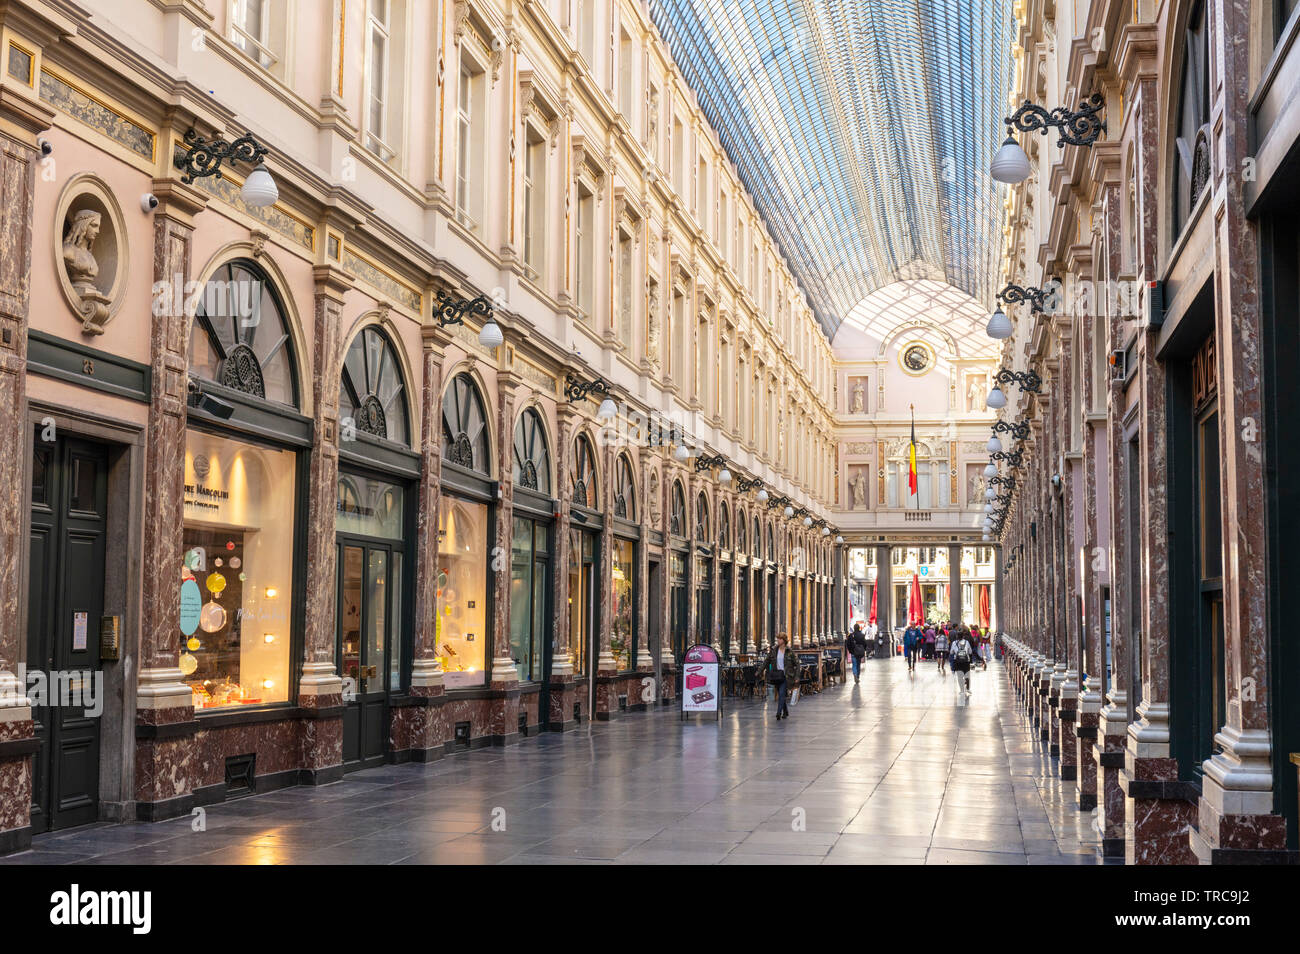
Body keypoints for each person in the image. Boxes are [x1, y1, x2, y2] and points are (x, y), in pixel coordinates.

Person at [764, 633, 800, 720]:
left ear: (783, 640)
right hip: (776, 676)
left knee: (781, 694)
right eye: (777, 639)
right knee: (782, 694)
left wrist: (796, 677)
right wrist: (759, 671)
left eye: (779, 639)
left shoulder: (790, 652)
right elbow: (766, 661)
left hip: (785, 676)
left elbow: (797, 664)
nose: (778, 640)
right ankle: (786, 711)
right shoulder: (774, 650)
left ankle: (778, 713)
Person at [950, 626, 975, 694]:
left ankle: (961, 690)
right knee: (967, 675)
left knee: (960, 676)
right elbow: (970, 652)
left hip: (957, 661)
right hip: (966, 661)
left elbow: (951, 652)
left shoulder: (954, 643)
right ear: (963, 636)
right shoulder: (966, 642)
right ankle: (968, 689)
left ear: (957, 636)